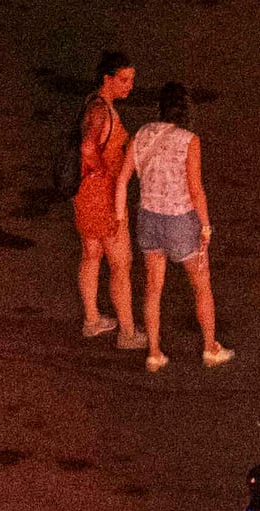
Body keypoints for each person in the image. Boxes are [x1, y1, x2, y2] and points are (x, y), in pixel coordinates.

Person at [122, 80, 230, 371]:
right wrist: (205, 226)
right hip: (180, 221)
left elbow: (125, 178)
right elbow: (195, 188)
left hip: (148, 218)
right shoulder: (189, 140)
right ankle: (210, 347)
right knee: (201, 285)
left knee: (153, 287)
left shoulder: (143, 133)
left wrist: (120, 215)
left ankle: (154, 352)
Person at [68, 52, 138, 345]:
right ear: (107, 79)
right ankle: (128, 332)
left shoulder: (93, 103)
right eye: (123, 80)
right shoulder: (101, 112)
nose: (129, 86)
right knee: (121, 263)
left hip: (85, 193)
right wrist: (107, 173)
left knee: (91, 254)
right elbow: (87, 148)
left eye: (131, 80)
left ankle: (92, 319)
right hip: (103, 196)